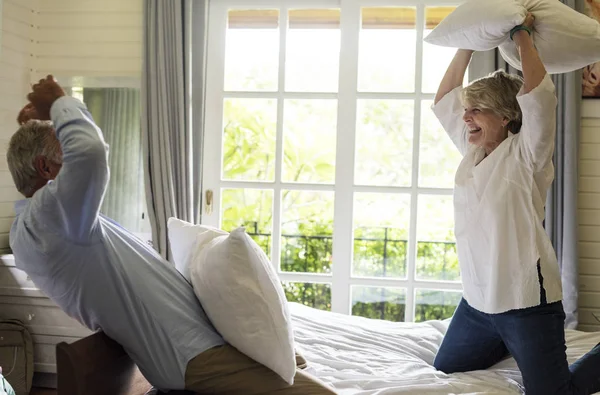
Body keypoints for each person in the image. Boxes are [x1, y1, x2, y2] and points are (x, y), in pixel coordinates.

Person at [7, 76, 335, 395]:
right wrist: (59, 104)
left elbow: (93, 150)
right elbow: (92, 153)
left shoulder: (49, 224)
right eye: (64, 155)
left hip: (197, 348)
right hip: (192, 355)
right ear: (46, 169)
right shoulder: (46, 219)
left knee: (298, 370)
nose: (74, 169)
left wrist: (58, 117)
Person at [431, 13, 600, 395]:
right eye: (468, 109)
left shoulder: (527, 155)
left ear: (507, 116)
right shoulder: (471, 149)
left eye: (478, 109)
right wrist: (470, 39)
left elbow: (540, 97)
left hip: (525, 302)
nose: (466, 115)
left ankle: (525, 343)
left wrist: (523, 36)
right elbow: (444, 99)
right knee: (446, 367)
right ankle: (512, 345)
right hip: (477, 303)